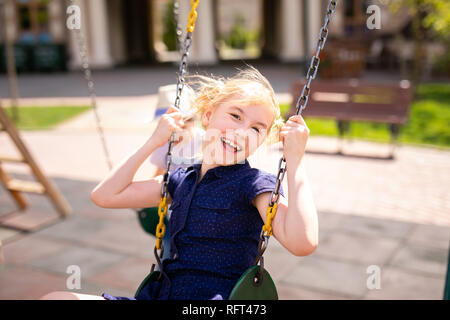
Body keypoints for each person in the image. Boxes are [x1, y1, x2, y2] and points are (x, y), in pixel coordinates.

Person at [41, 66, 318, 300]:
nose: (241, 132)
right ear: (208, 115)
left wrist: (296, 162)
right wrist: (153, 142)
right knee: (56, 298)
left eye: (257, 128)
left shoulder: (254, 186)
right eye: (235, 115)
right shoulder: (180, 180)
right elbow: (105, 195)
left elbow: (302, 243)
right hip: (162, 294)